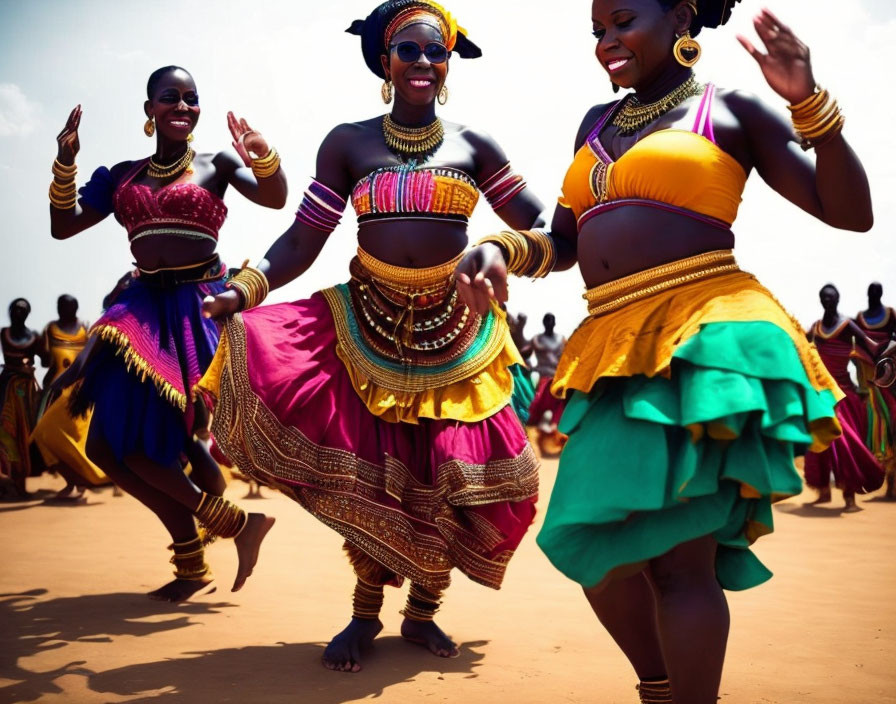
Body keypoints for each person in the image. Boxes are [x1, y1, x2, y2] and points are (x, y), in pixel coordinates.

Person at [456, 2, 872, 701]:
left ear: (680, 16)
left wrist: (809, 105)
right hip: (612, 350)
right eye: (597, 30)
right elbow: (560, 241)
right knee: (600, 556)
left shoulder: (728, 108)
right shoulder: (597, 123)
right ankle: (661, 689)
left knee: (680, 566)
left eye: (622, 21)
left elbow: (849, 212)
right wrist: (499, 247)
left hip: (700, 333)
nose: (607, 41)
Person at [199, 0, 544, 672]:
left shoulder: (477, 146)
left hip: (460, 332)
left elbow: (548, 227)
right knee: (380, 477)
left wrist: (506, 248)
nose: (422, 62)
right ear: (384, 61)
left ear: (449, 64)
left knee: (467, 478)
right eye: (408, 51)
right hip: (367, 325)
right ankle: (363, 616)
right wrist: (244, 288)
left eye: (434, 51)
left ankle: (422, 614)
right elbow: (302, 238)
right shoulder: (348, 143)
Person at [48, 65, 283, 600]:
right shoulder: (123, 176)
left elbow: (272, 197)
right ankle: (191, 563)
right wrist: (66, 164)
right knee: (109, 449)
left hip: (195, 310)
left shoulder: (217, 164)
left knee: (146, 449)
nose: (183, 105)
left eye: (192, 98)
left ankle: (235, 524)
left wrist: (260, 153)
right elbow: (64, 225)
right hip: (140, 311)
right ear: (150, 110)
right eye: (170, 98)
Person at [804, 285, 884, 510]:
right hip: (822, 395)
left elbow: (871, 346)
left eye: (831, 299)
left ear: (838, 300)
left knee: (845, 443)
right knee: (818, 442)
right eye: (825, 299)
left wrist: (884, 356)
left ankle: (850, 498)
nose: (828, 302)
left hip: (844, 395)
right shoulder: (817, 328)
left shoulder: (848, 325)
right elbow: (802, 346)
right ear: (821, 301)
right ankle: (824, 492)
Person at [31, 294, 106, 502]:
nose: (63, 309)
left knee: (77, 439)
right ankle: (73, 481)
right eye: (60, 306)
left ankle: (83, 481)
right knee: (44, 436)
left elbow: (89, 358)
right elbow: (46, 362)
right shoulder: (51, 329)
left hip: (78, 393)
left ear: (75, 308)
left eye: (68, 306)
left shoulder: (85, 328)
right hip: (54, 391)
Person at [0, 299, 46, 498]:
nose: (18, 313)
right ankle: (9, 481)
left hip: (27, 392)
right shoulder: (5, 334)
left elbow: (46, 359)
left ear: (28, 313)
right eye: (16, 309)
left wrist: (43, 349)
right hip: (8, 387)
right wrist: (21, 367)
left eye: (23, 310)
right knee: (7, 431)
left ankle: (21, 483)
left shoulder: (34, 337)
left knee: (26, 432)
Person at [854, 282, 896, 498]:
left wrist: (884, 355)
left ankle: (891, 487)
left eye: (877, 291)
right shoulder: (859, 319)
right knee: (872, 430)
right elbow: (854, 348)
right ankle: (877, 483)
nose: (874, 295)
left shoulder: (891, 314)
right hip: (869, 383)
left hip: (889, 380)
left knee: (891, 427)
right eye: (871, 291)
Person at [527, 313, 567, 457]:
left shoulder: (561, 340)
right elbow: (526, 353)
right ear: (544, 323)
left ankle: (559, 434)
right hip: (542, 378)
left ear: (554, 323)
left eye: (552, 321)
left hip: (558, 379)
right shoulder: (536, 340)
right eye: (547, 321)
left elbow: (567, 356)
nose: (549, 324)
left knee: (561, 406)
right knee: (535, 406)